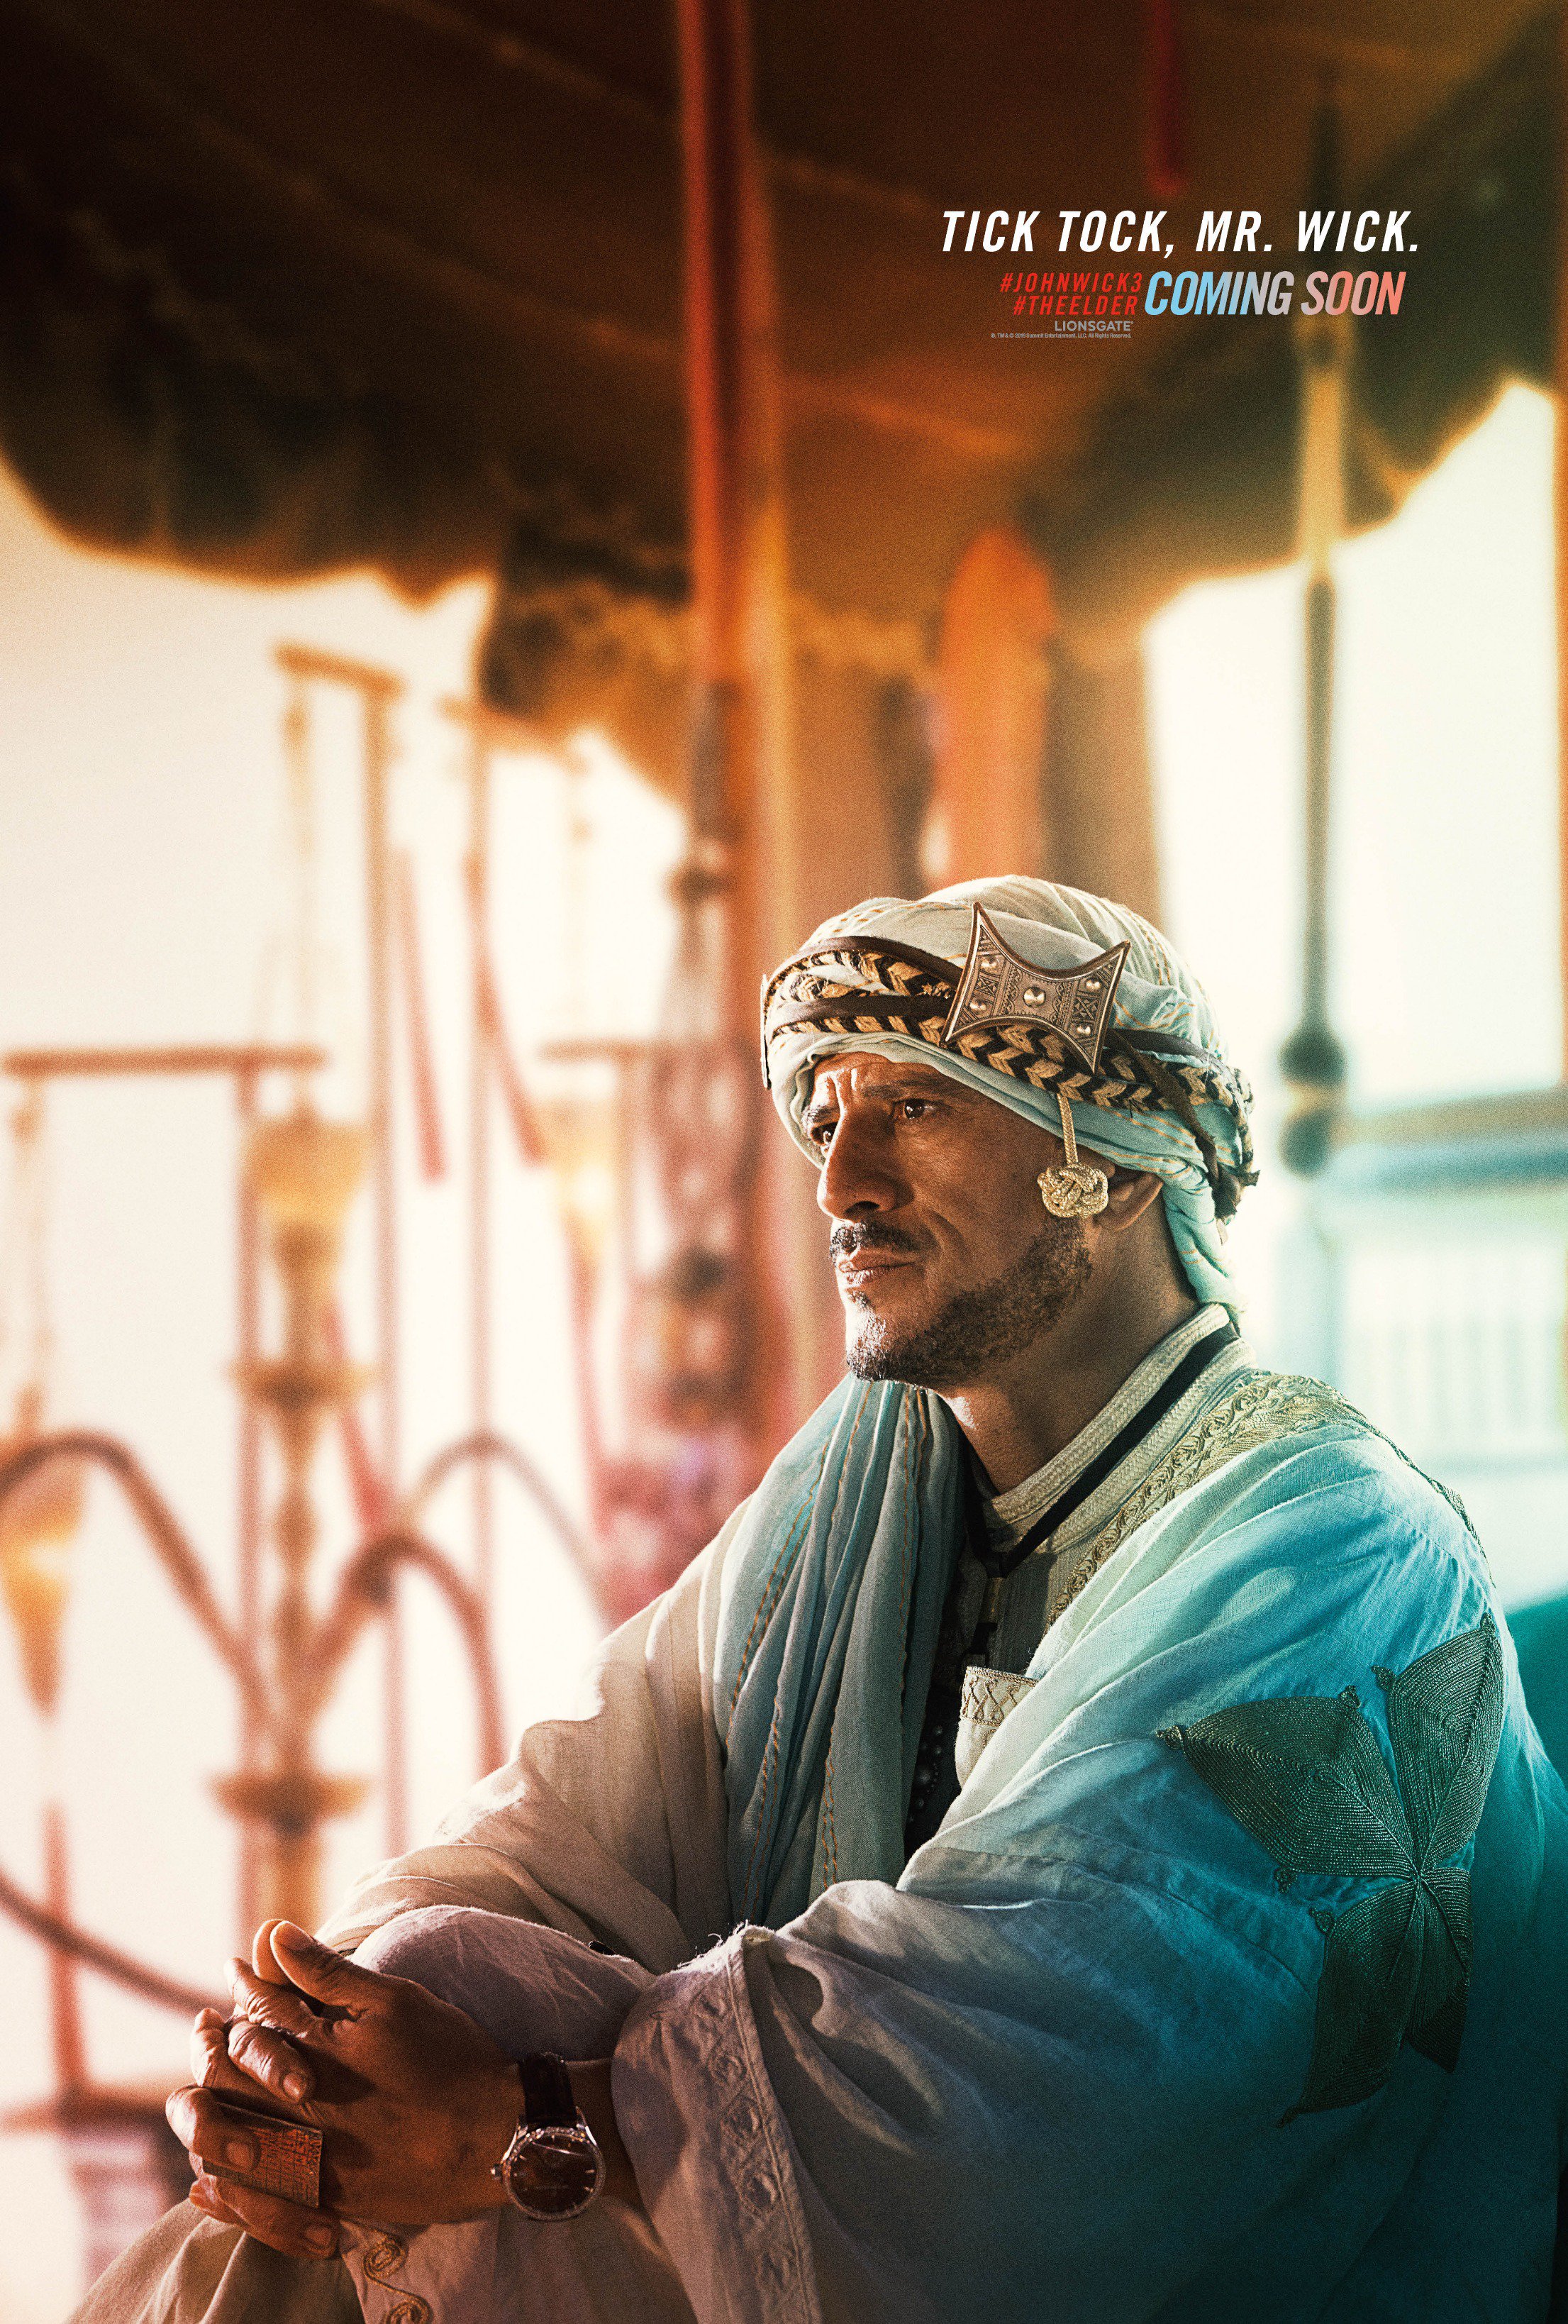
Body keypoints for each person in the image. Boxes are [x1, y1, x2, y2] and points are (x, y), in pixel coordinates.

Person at [82, 879, 1568, 2324]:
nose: (840, 1181)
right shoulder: (854, 1498)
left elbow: (1067, 2068)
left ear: (1114, 1163)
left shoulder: (1334, 1545)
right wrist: (312, 2056)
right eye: (828, 1116)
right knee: (431, 1968)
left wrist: (518, 2130)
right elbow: (556, 1830)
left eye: (913, 1106)